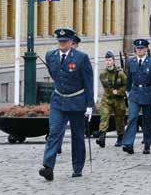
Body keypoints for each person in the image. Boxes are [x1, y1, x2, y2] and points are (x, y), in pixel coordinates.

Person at [39, 28, 94, 181]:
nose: (62, 44)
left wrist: (90, 105)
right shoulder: (51, 56)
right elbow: (55, 75)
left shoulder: (81, 58)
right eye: (60, 41)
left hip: (77, 101)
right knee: (54, 132)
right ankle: (48, 167)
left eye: (65, 41)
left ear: (71, 42)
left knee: (77, 136)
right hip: (58, 100)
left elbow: (88, 82)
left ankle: (77, 167)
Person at [122, 39, 151, 155]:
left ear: (146, 49)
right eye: (138, 48)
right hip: (134, 93)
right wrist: (127, 91)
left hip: (148, 92)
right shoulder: (131, 62)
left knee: (147, 121)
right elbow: (129, 77)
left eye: (142, 48)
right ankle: (129, 143)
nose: (139, 50)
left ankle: (147, 145)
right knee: (132, 118)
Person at [97, 51, 127, 148]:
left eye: (110, 60)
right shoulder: (102, 75)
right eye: (106, 60)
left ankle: (120, 137)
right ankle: (102, 137)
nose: (108, 62)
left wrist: (118, 92)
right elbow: (106, 87)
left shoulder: (121, 74)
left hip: (119, 100)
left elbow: (126, 86)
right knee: (104, 116)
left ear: (114, 61)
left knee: (119, 119)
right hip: (107, 99)